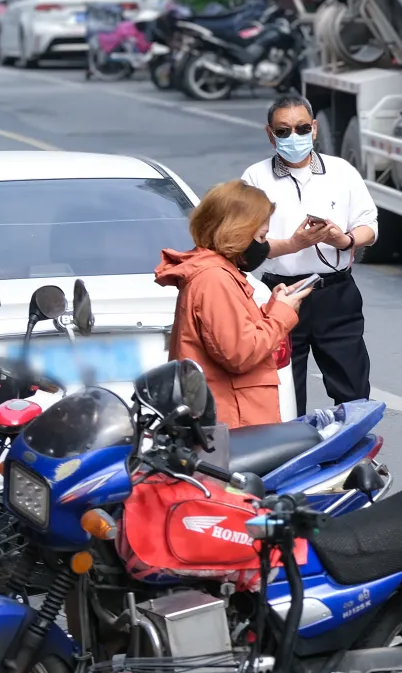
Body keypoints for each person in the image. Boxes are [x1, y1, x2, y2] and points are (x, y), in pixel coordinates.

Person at [240, 93, 378, 414]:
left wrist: (342, 239)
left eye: (302, 129)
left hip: (336, 295)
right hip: (282, 296)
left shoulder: (341, 171)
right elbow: (247, 245)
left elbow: (369, 227)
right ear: (270, 134)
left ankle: (354, 460)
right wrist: (293, 244)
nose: (294, 137)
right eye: (284, 131)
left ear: (314, 129)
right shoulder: (255, 178)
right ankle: (294, 460)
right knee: (285, 395)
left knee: (354, 393)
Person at [155, 180, 313, 428]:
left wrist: (273, 308)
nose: (264, 244)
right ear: (238, 231)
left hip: (234, 417)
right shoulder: (214, 279)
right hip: (233, 424)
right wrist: (282, 315)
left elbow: (232, 333)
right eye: (261, 236)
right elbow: (240, 353)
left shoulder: (217, 273)